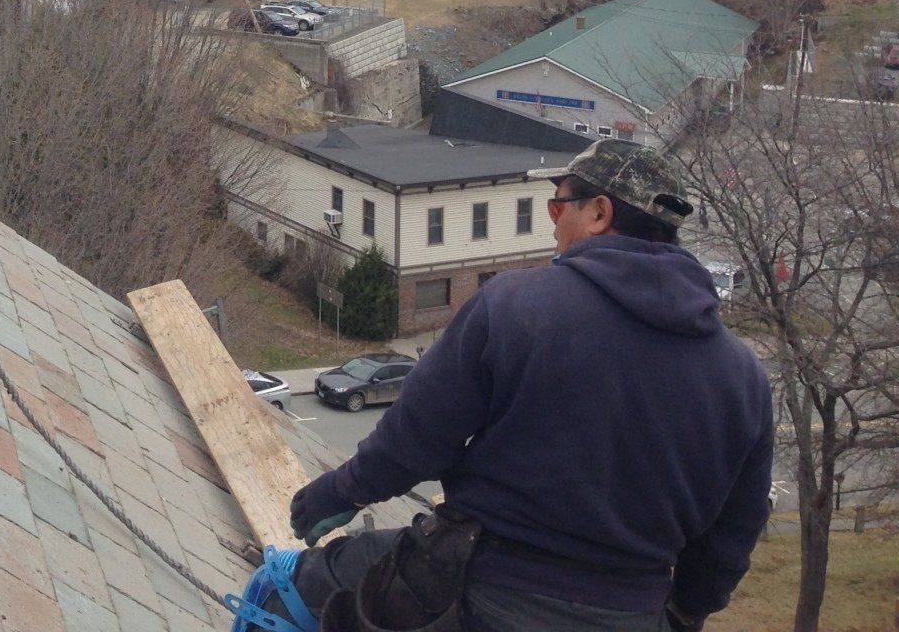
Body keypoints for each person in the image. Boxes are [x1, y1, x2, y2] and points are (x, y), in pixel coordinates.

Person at [255, 140, 773, 632]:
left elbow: (416, 438)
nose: (553, 225)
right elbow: (731, 538)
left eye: (557, 207)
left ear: (598, 213)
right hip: (630, 610)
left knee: (284, 591)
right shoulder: (743, 377)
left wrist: (336, 492)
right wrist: (683, 614)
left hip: (480, 593)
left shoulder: (517, 306)